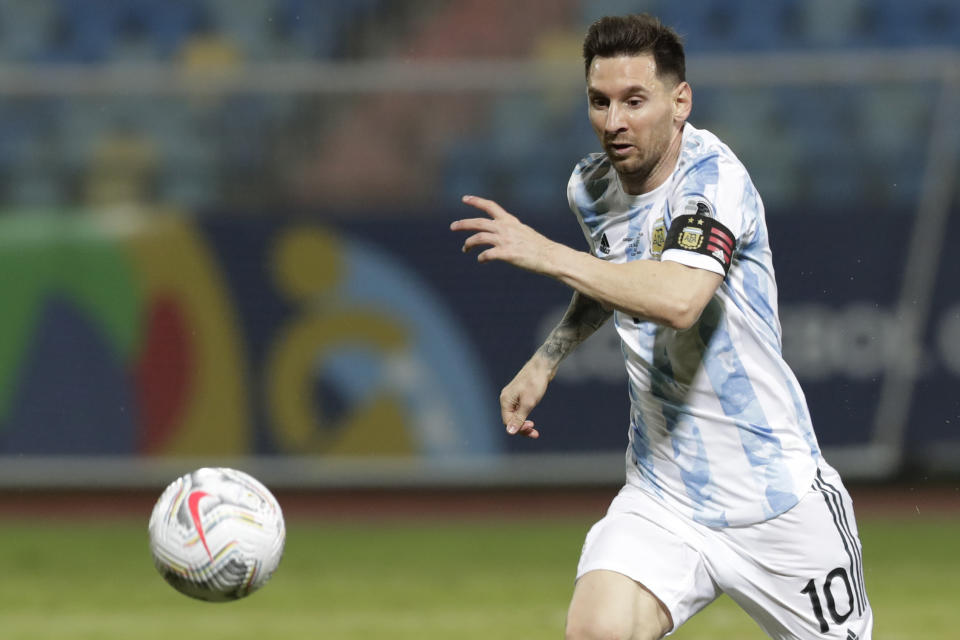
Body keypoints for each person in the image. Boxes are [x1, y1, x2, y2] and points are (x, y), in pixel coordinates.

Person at [450, 13, 873, 640]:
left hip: (776, 499)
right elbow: (613, 275)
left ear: (681, 102)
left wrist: (542, 253)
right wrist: (548, 358)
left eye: (634, 100)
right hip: (664, 496)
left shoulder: (713, 181)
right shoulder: (592, 188)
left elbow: (678, 298)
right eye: (599, 101)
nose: (613, 122)